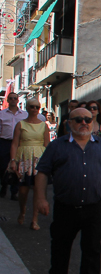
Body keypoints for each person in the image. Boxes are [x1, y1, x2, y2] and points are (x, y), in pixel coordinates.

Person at [34, 106, 101, 274]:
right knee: (60, 245)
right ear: (69, 123)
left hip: (92, 207)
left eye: (88, 120)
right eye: (78, 119)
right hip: (65, 206)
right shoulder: (57, 146)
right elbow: (43, 172)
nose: (84, 123)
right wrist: (40, 199)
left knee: (92, 248)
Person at [7, 97, 48, 229]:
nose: (35, 109)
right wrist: (13, 160)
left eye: (37, 107)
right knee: (23, 190)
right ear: (27, 108)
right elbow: (15, 143)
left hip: (39, 158)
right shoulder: (20, 124)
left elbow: (47, 145)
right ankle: (22, 210)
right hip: (24, 158)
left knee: (37, 189)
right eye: (32, 106)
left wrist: (48, 162)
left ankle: (34, 219)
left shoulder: (44, 125)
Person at [0, 92, 27, 200]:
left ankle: (14, 191)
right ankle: (3, 186)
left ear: (17, 100)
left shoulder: (24, 115)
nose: (12, 100)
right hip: (5, 142)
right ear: (7, 100)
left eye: (14, 98)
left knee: (17, 166)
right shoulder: (2, 114)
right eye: (10, 98)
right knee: (3, 166)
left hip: (19, 143)